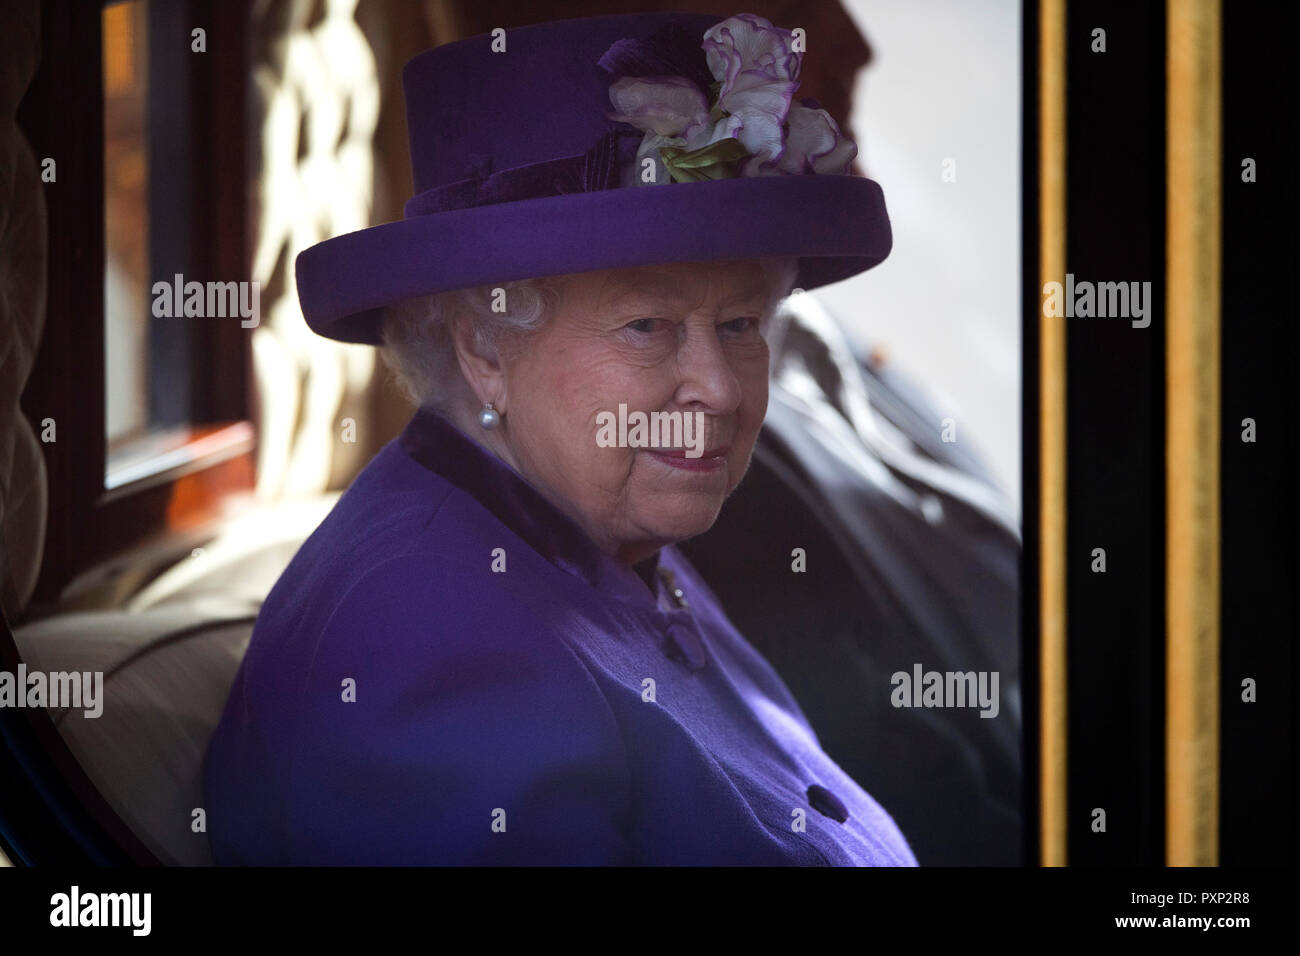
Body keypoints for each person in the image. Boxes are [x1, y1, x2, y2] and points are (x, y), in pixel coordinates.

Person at [203, 11, 914, 865]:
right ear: (485, 345)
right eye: (648, 324)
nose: (721, 389)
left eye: (740, 323)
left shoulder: (589, 525)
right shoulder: (419, 628)